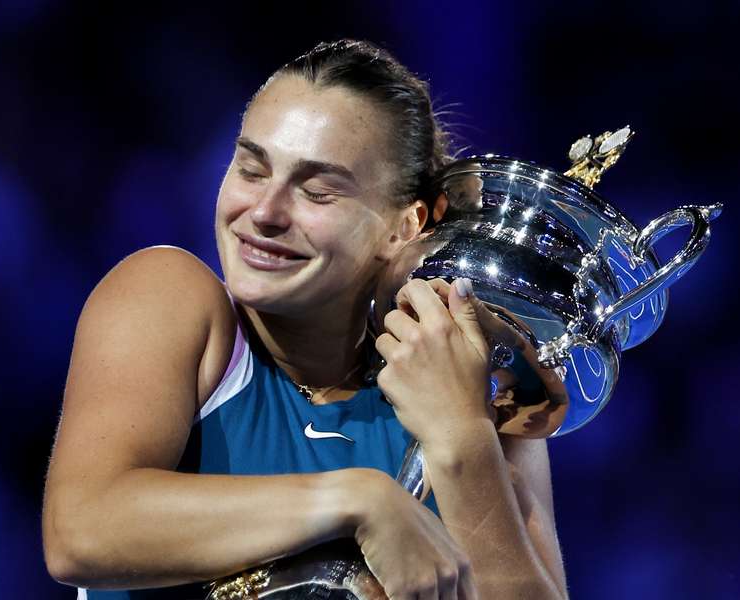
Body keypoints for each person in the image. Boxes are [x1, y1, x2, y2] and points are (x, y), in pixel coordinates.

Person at [42, 40, 568, 600]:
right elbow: (81, 528)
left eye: (317, 192)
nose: (264, 213)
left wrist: (464, 438)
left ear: (405, 225)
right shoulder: (169, 299)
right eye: (251, 169)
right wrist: (358, 501)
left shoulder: (469, 382)